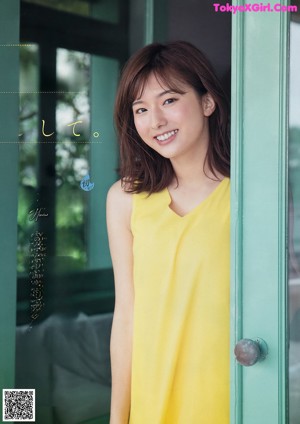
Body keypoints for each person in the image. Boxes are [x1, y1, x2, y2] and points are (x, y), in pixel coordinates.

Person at [106, 40, 230, 424]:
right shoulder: (125, 199)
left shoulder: (249, 197)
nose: (154, 120)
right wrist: (118, 417)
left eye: (169, 100)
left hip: (227, 397)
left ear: (207, 102)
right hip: (152, 401)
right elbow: (126, 316)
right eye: (141, 109)